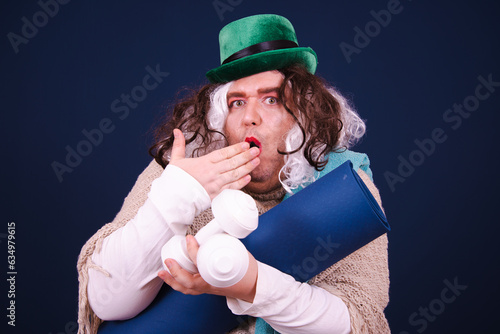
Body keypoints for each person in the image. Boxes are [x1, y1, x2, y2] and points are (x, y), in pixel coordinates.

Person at [77, 14, 390, 334]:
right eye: (237, 102)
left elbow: (360, 322)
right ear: (219, 117)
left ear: (304, 114)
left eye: (271, 99)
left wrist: (252, 285)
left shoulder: (342, 188)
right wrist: (179, 195)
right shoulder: (181, 171)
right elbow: (106, 301)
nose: (250, 117)